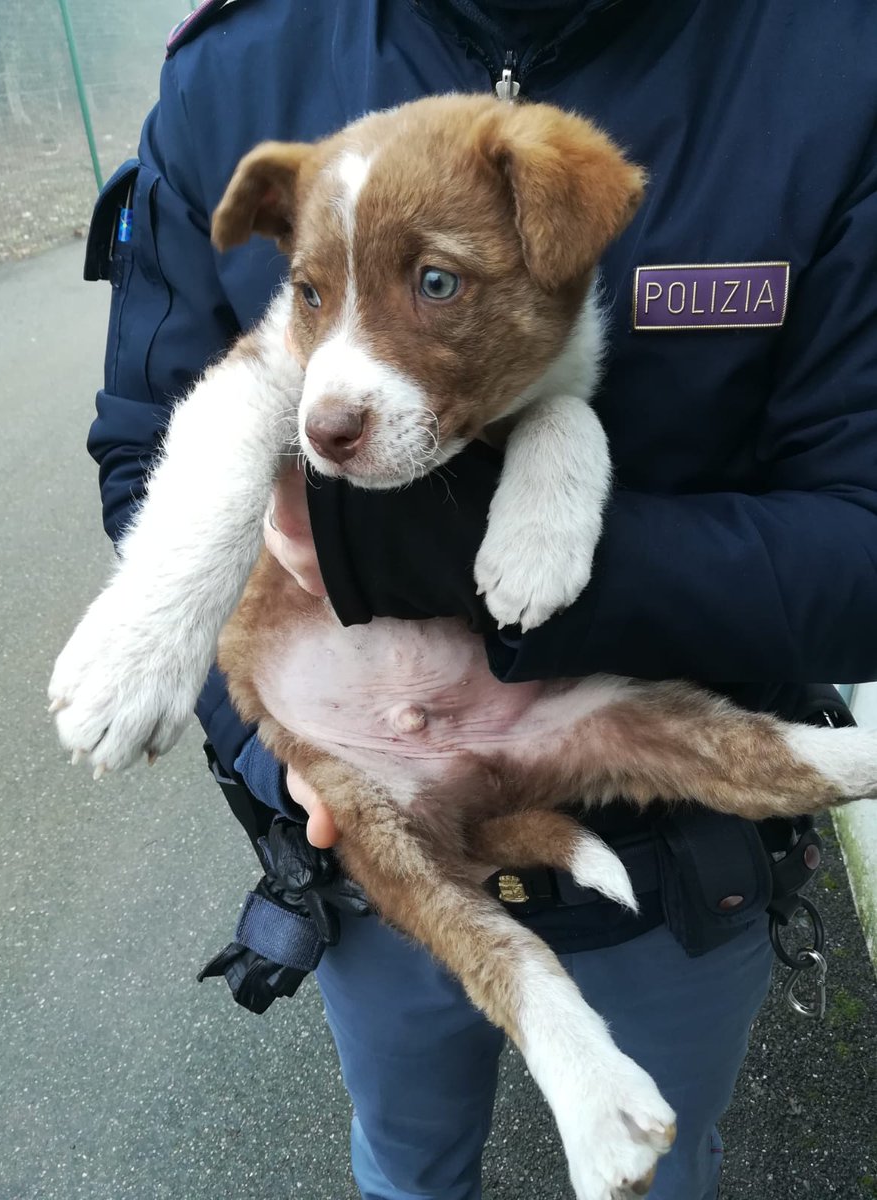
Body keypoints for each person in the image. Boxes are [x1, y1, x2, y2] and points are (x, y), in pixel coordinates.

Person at [83, 2, 877, 1197]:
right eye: (312, 293)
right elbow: (165, 437)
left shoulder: (830, 65)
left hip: (674, 871)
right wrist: (264, 744)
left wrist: (416, 549)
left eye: (437, 281)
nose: (334, 393)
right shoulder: (240, 69)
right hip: (357, 829)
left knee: (658, 1173)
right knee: (408, 1162)